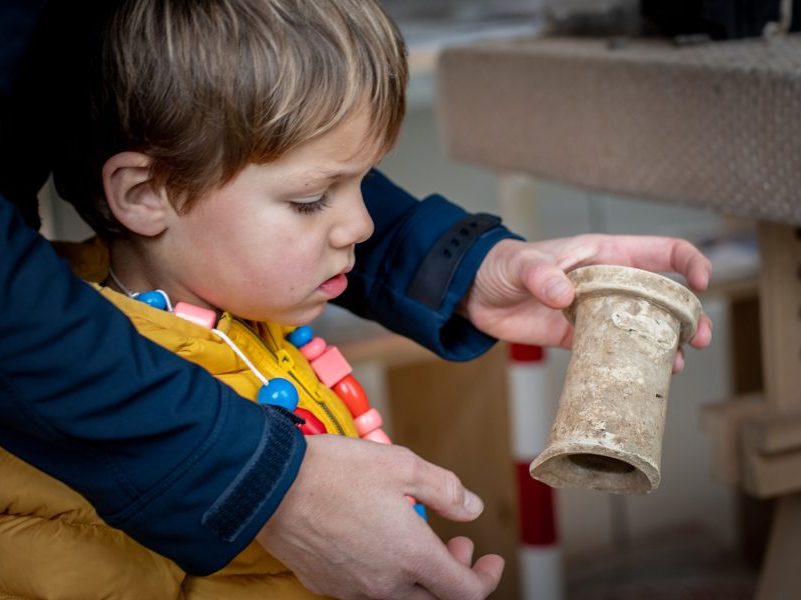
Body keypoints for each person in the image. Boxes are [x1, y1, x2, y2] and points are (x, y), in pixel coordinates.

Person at [0, 0, 712, 598]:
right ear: (145, 194)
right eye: (312, 199)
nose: (363, 225)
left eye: (363, 180)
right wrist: (263, 488)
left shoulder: (238, 311)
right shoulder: (57, 464)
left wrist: (467, 266)